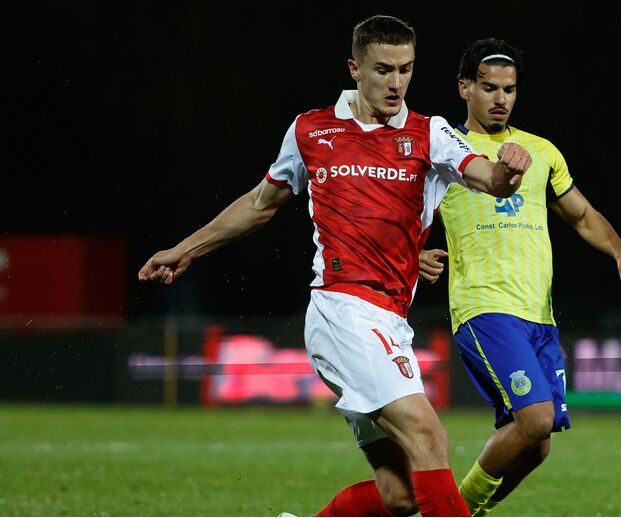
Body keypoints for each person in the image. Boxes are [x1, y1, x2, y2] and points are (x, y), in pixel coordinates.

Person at [138, 17, 533, 516]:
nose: (396, 83)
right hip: (342, 310)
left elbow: (491, 179)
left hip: (390, 318)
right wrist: (186, 249)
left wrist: (510, 171)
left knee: (403, 494)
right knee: (430, 436)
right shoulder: (311, 130)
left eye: (406, 70)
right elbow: (260, 203)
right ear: (355, 68)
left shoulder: (429, 133)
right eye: (383, 70)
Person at [418, 38, 621, 515]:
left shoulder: (541, 152)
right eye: (488, 88)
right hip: (484, 307)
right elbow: (403, 212)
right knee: (535, 419)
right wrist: (413, 255)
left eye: (509, 89)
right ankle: (449, 514)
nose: (500, 98)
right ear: (464, 88)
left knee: (538, 442)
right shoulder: (444, 148)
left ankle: (465, 511)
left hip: (539, 316)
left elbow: (582, 216)